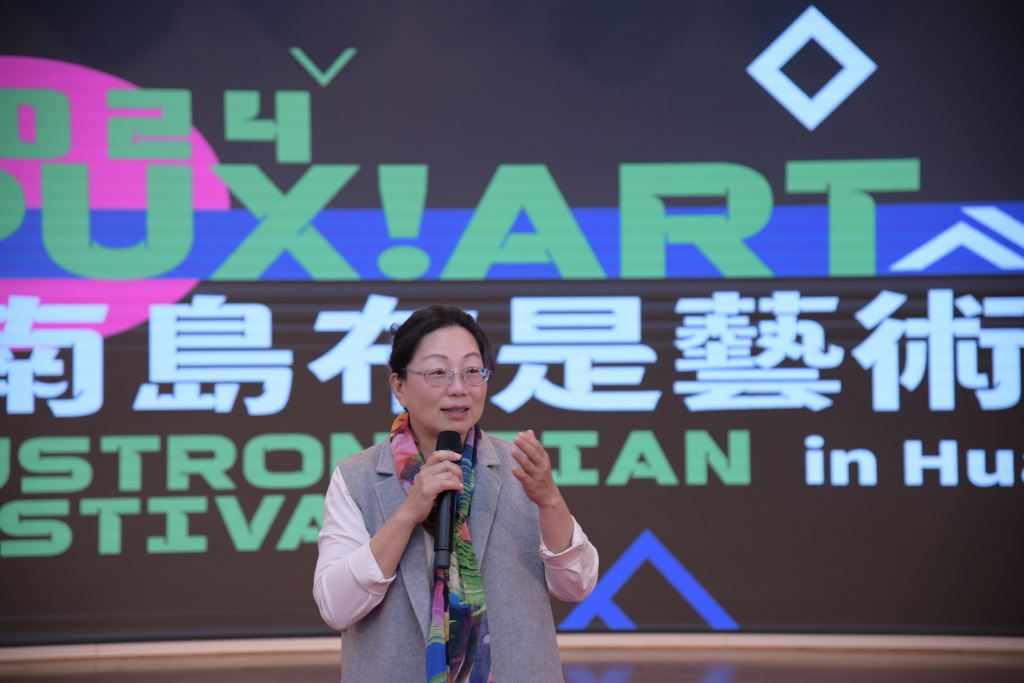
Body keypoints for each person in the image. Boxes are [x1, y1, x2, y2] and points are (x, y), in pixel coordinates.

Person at [313, 304, 599, 682]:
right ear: (399, 386)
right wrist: (408, 512)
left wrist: (550, 502)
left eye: (472, 371)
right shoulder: (357, 478)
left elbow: (577, 585)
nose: (459, 388)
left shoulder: (520, 469)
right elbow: (336, 607)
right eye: (438, 373)